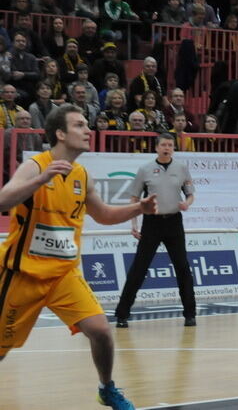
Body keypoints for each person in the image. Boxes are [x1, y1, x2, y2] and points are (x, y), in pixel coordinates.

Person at [0, 104, 158, 410]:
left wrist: (138, 208)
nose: (88, 130)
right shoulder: (36, 166)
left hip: (63, 275)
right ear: (60, 133)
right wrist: (39, 180)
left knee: (101, 331)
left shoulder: (82, 175)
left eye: (87, 125)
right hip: (23, 274)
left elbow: (105, 215)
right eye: (80, 125)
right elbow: (3, 200)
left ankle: (106, 388)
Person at [114, 133, 196, 327]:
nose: (167, 148)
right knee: (138, 268)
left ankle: (190, 314)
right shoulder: (145, 170)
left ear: (173, 148)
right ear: (156, 148)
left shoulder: (182, 168)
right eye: (164, 145)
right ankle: (122, 314)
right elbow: (134, 199)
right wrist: (134, 224)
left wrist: (187, 203)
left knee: (183, 267)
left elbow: (191, 194)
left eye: (170, 145)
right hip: (151, 223)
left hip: (174, 222)